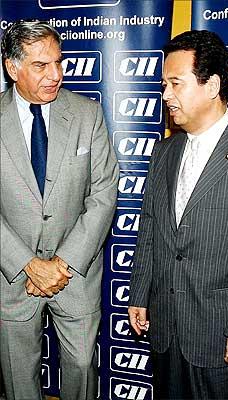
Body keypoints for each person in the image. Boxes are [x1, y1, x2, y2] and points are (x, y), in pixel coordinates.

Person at [128, 30, 228, 400]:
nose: (165, 95)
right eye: (163, 84)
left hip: (219, 334)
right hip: (165, 323)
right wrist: (139, 292)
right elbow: (150, 229)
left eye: (176, 83)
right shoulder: (164, 152)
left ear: (212, 86)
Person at [0, 19, 119, 400]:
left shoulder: (87, 114)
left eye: (59, 61)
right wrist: (27, 263)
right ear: (12, 67)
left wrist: (62, 264)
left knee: (83, 372)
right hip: (12, 276)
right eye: (41, 65)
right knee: (19, 380)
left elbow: (103, 192)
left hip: (76, 276)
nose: (56, 74)